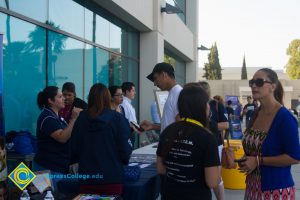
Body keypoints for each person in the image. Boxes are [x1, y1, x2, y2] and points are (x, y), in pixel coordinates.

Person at [239, 68, 300, 200]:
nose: (254, 85)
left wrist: (258, 161)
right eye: (252, 82)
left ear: (273, 86)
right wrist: (245, 159)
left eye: (259, 82)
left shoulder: (285, 118)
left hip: (276, 191)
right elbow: (255, 149)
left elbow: (295, 157)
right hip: (252, 187)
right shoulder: (256, 113)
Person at [156, 85, 221, 200]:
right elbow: (212, 182)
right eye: (207, 103)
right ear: (201, 106)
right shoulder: (207, 138)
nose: (208, 107)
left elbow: (160, 168)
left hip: (169, 195)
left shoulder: (168, 131)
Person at [70, 83, 132, 195]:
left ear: (90, 98)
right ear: (109, 98)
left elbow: (74, 147)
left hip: (88, 177)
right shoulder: (117, 119)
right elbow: (125, 149)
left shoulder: (81, 118)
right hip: (111, 176)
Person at [34, 86, 81, 190]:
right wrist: (73, 119)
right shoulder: (47, 118)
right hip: (46, 168)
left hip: (57, 167)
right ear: (50, 100)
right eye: (60, 96)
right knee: (47, 197)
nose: (64, 98)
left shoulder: (57, 117)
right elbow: (62, 137)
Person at [198, 81, 228, 200]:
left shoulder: (216, 104)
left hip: (215, 144)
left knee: (216, 177)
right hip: (199, 144)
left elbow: (226, 124)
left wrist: (208, 125)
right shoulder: (195, 105)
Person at [141, 62, 182, 133]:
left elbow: (181, 126)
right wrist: (153, 126)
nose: (154, 83)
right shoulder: (173, 93)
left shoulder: (178, 94)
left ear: (164, 75)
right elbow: (170, 124)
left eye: (155, 78)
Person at [120, 82, 141, 147]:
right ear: (127, 92)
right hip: (128, 133)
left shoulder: (127, 103)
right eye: (133, 91)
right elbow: (125, 121)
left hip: (131, 132)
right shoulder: (124, 104)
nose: (135, 93)